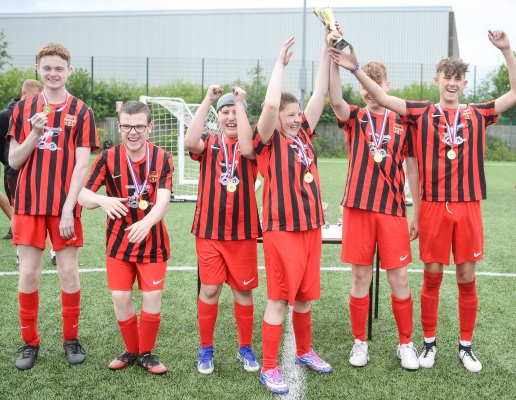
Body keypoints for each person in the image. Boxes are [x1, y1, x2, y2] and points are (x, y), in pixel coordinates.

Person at [329, 29, 516, 373]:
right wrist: (355, 68)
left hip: (468, 206)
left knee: (466, 277)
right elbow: (382, 99)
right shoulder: (419, 112)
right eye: (447, 77)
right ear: (437, 80)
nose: (452, 83)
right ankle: (428, 343)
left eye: (458, 78)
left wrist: (507, 50)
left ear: (465, 83)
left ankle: (466, 346)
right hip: (434, 206)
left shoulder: (477, 112)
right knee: (432, 276)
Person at [237, 35, 331, 395]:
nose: (295, 120)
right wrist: (279, 64)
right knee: (278, 300)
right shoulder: (268, 141)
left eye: (297, 116)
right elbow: (273, 104)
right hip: (281, 231)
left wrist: (326, 51)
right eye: (289, 116)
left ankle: (304, 351)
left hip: (310, 229)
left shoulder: (303, 136)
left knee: (305, 297)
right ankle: (271, 367)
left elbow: (320, 94)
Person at [327, 30, 421, 370]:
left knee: (400, 278)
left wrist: (418, 214)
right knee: (359, 278)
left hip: (393, 210)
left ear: (386, 84)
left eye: (374, 83)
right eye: (364, 85)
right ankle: (359, 343)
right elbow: (334, 98)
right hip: (358, 208)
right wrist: (335, 59)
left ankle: (406, 344)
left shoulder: (403, 121)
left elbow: (413, 173)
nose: (367, 91)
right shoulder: (355, 117)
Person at [8, 43, 99, 370]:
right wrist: (33, 134)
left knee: (68, 272)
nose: (53, 73)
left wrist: (66, 210)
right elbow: (14, 161)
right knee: (29, 272)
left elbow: (81, 166)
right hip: (29, 205)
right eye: (47, 67)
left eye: (59, 68)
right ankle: (30, 343)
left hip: (64, 208)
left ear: (68, 71)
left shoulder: (82, 111)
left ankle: (70, 338)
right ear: (38, 68)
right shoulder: (23, 109)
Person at [79, 101, 173, 374]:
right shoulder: (107, 157)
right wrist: (101, 200)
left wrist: (147, 222)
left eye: (139, 126)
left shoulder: (163, 158)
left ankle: (146, 354)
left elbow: (164, 199)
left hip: (153, 243)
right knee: (120, 298)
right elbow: (83, 194)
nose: (133, 132)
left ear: (149, 127)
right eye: (127, 126)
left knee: (152, 297)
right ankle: (132, 350)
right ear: (119, 127)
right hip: (118, 242)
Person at [184, 86, 261, 375]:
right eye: (225, 112)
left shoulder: (251, 144)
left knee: (243, 291)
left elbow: (250, 147)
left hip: (242, 232)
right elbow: (190, 142)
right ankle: (206, 348)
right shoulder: (209, 142)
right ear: (218, 117)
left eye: (235, 112)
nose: (230, 116)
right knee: (211, 288)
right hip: (209, 231)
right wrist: (208, 100)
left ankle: (245, 347)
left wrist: (240, 103)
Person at [0, 80, 44, 241]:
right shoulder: (6, 115)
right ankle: (20, 245)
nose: (36, 101)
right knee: (18, 209)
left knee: (40, 208)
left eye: (39, 97)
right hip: (14, 171)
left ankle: (51, 249)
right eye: (33, 96)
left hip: (36, 170)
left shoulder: (39, 114)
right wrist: (8, 160)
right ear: (23, 94)